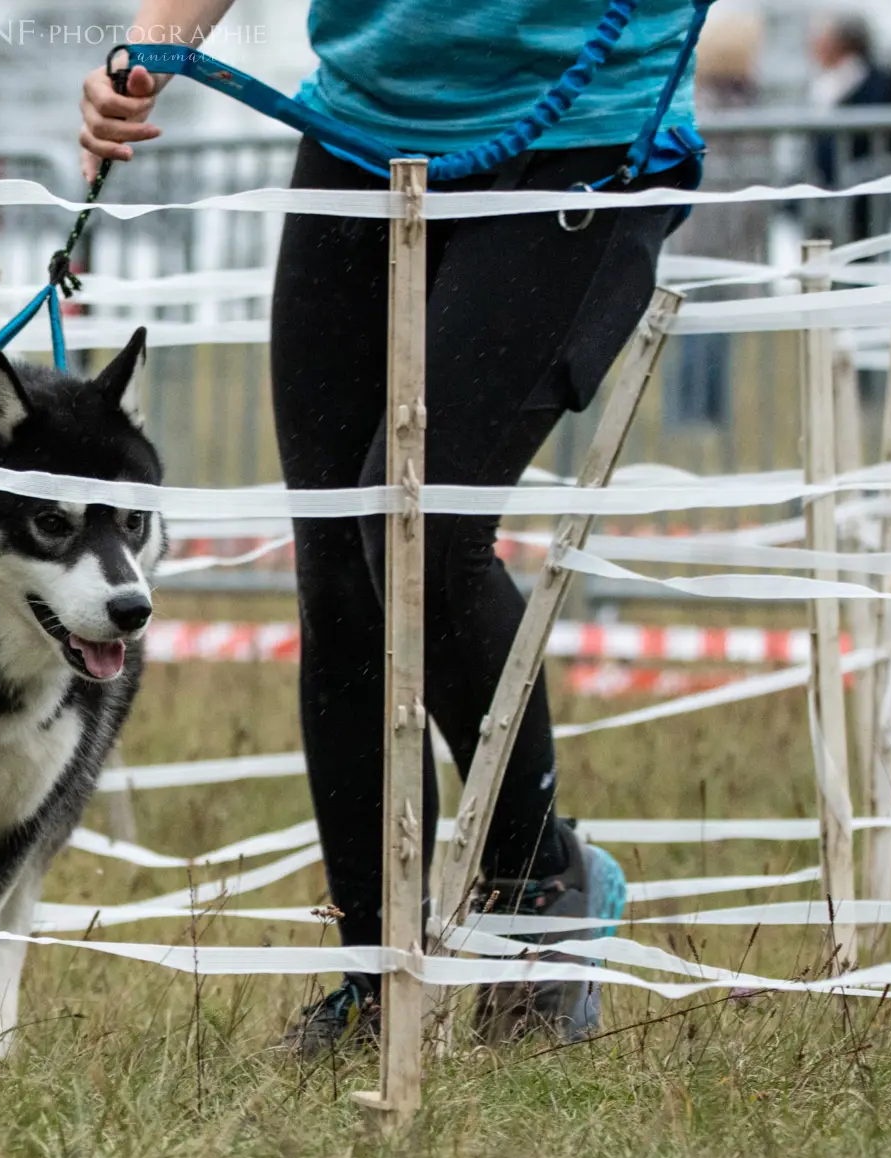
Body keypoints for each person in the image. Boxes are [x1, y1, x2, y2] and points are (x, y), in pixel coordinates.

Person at [82, 0, 700, 1051]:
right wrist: (150, 48)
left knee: (416, 524)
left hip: (582, 132)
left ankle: (536, 885)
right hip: (361, 127)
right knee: (334, 563)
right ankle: (375, 976)